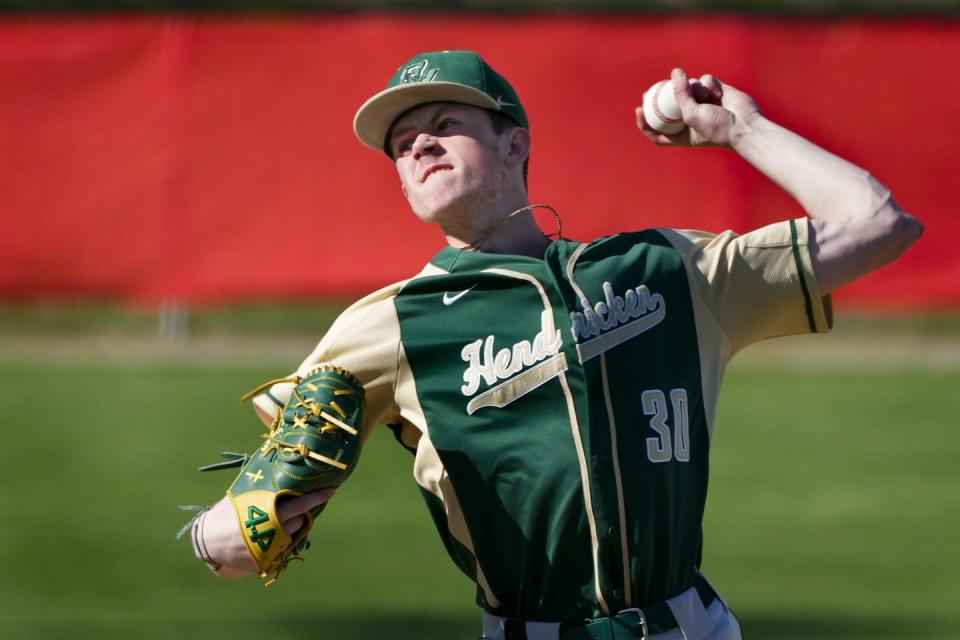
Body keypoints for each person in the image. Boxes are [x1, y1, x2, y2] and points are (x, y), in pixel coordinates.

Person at [190, 50, 923, 639]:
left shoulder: (665, 269)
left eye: (444, 123)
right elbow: (252, 504)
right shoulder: (389, 323)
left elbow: (878, 224)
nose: (420, 146)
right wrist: (217, 536)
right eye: (403, 145)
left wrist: (741, 130)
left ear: (516, 144)